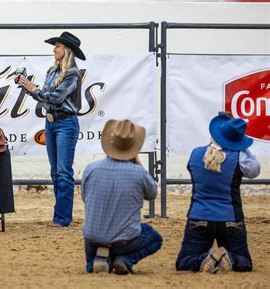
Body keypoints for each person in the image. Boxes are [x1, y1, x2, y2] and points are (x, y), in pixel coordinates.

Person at [176, 112, 260, 273]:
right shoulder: (241, 157)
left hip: (199, 217)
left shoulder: (195, 154)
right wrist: (244, 149)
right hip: (230, 219)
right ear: (237, 141)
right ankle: (229, 258)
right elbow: (254, 171)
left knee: (184, 262)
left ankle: (204, 258)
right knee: (244, 263)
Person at [18, 31, 84, 228]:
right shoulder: (52, 71)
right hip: (52, 122)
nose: (54, 49)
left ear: (67, 50)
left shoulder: (72, 74)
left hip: (64, 123)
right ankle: (61, 215)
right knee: (56, 171)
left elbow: (54, 98)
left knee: (63, 171)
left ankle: (62, 218)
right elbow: (45, 97)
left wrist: (33, 88)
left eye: (58, 46)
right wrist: (29, 88)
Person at [81, 119, 162, 274]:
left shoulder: (90, 169)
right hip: (125, 241)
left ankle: (98, 260)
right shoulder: (139, 173)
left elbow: (86, 198)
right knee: (154, 237)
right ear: (133, 149)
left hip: (93, 239)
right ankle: (124, 260)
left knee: (96, 248)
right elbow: (152, 194)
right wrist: (138, 165)